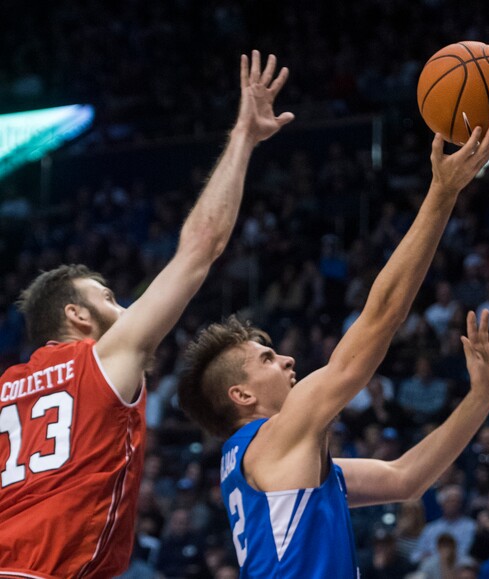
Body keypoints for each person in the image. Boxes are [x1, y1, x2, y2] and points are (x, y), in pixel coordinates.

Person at [0, 50, 293, 578]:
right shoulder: (101, 360)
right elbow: (201, 246)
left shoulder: (5, 389)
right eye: (109, 299)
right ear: (77, 315)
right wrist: (244, 137)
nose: (125, 308)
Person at [177, 126, 489, 578]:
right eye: (268, 359)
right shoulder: (272, 441)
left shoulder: (273, 462)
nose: (288, 360)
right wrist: (442, 194)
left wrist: (481, 398)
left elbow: (407, 478)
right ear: (242, 395)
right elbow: (381, 318)